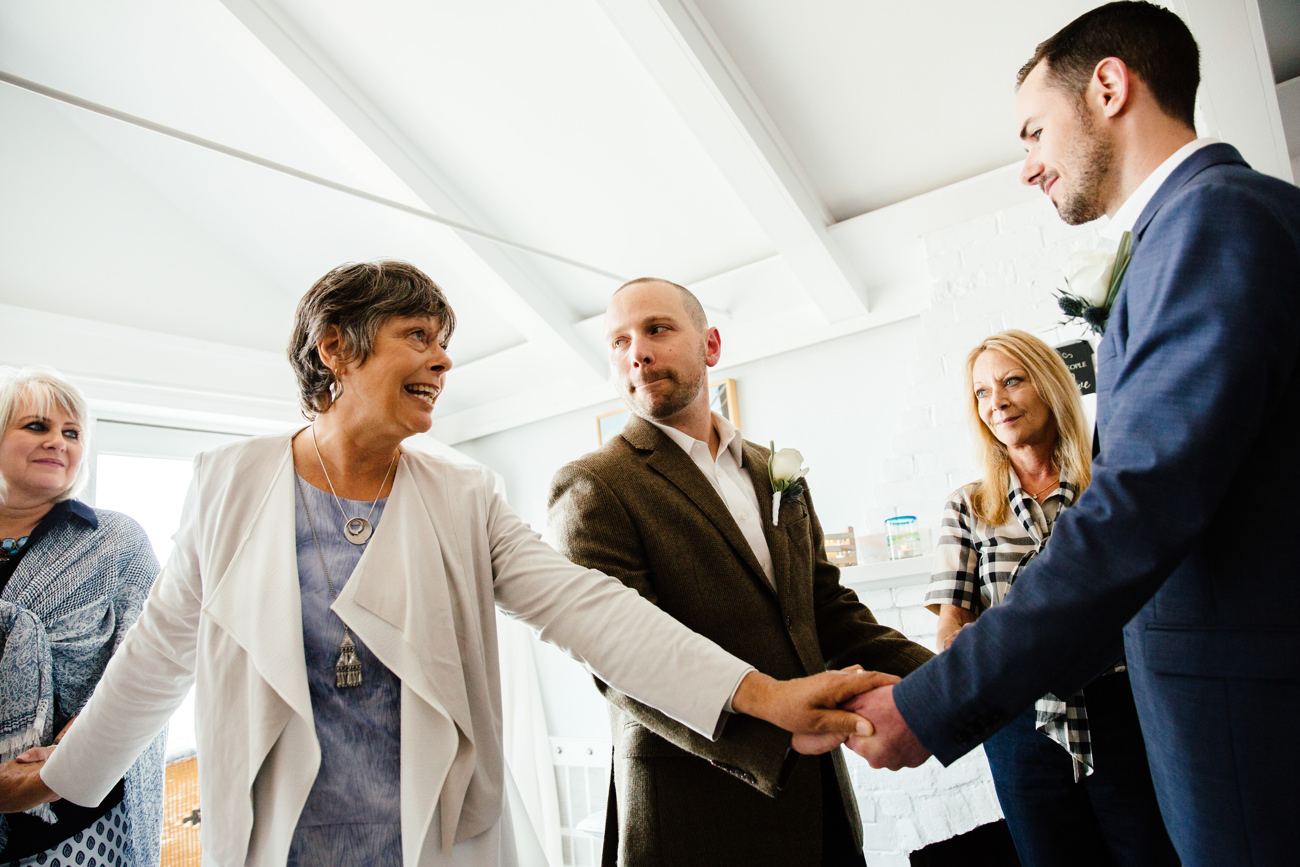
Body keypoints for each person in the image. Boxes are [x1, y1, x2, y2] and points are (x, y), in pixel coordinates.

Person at [0, 261, 884, 867]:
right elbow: (158, 654)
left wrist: (762, 695)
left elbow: (594, 610)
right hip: (282, 839)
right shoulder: (227, 482)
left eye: (444, 340)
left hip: (436, 836)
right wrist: (55, 776)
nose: (444, 358)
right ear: (336, 350)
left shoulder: (464, 496)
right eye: (419, 335)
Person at [846, 4, 1300, 864]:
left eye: (1032, 133)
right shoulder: (1200, 227)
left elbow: (1138, 510)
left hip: (1251, 737)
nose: (1028, 168)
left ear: (1108, 85)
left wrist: (935, 700)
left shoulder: (1212, 222)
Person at [548, 277, 933, 866]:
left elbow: (825, 608)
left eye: (656, 329)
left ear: (711, 345)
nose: (638, 352)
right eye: (619, 341)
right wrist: (778, 735)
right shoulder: (594, 484)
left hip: (822, 803)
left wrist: (952, 684)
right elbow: (618, 663)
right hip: (694, 815)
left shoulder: (774, 469)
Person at [925, 331, 1176, 866]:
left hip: (1124, 711)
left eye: (1013, 381)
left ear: (1051, 386)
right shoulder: (968, 507)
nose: (998, 402)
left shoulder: (1106, 485)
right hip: (1018, 724)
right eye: (983, 392)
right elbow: (950, 626)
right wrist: (964, 644)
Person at [0, 367, 165, 867]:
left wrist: (57, 768)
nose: (58, 442)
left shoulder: (115, 541)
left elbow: (151, 664)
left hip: (78, 820)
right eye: (36, 426)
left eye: (72, 433)